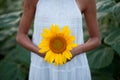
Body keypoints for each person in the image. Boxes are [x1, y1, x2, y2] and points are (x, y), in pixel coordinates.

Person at [16, 0, 101, 80]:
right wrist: (42, 52)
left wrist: (75, 51)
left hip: (74, 68)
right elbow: (21, 36)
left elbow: (95, 39)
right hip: (43, 69)